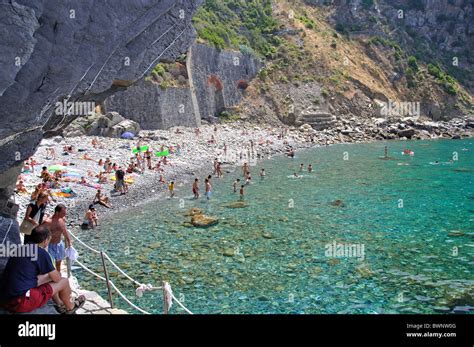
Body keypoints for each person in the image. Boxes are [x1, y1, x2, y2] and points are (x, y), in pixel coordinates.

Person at [0, 225, 86, 314]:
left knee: (49, 277)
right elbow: (57, 278)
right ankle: (70, 307)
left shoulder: (19, 249)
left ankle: (60, 304)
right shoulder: (41, 253)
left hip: (5, 298)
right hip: (21, 301)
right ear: (45, 240)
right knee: (64, 281)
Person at [42, 204, 72, 272]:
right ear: (57, 212)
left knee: (58, 263)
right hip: (50, 245)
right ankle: (51, 277)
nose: (65, 214)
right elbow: (40, 232)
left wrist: (69, 241)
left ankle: (58, 275)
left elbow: (65, 231)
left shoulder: (62, 220)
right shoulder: (48, 222)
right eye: (63, 213)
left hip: (59, 244)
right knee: (51, 264)